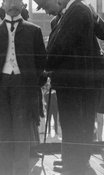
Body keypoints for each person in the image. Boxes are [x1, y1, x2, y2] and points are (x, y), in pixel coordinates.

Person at [34, 0, 104, 173]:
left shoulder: (78, 10)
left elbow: (59, 46)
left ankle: (77, 165)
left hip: (78, 83)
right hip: (71, 82)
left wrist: (47, 65)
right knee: (71, 124)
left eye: (45, 6)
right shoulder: (65, 15)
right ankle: (71, 162)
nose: (45, 11)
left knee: (77, 125)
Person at [0, 0, 47, 174]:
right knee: (2, 134)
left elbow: (41, 62)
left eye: (17, 1)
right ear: (3, 5)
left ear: (23, 5)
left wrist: (32, 81)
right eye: (9, 1)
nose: (13, 5)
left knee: (22, 134)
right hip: (0, 88)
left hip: (23, 87)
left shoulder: (34, 31)